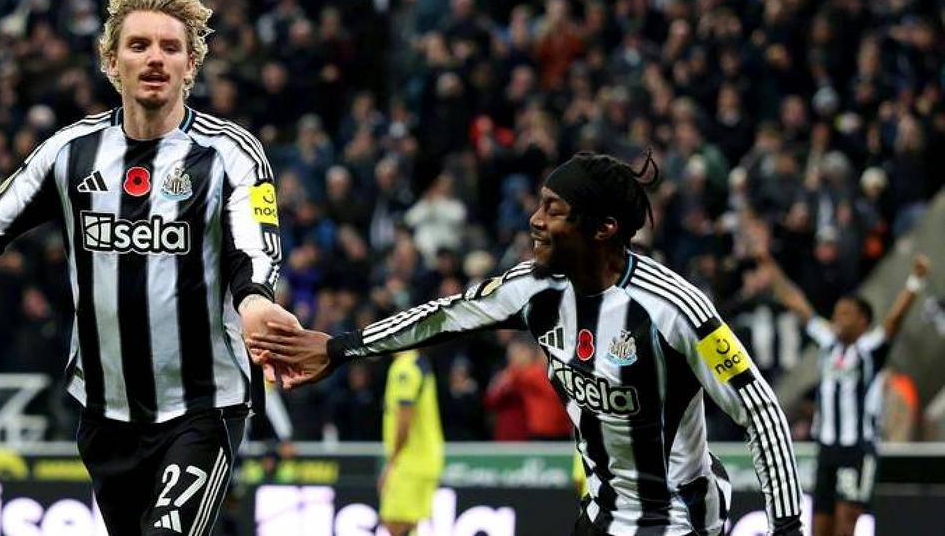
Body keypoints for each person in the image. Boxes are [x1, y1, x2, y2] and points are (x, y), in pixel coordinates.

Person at [250, 152, 805, 535]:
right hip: (601, 513)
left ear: (603, 229)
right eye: (540, 205)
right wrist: (341, 348)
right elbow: (442, 316)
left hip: (677, 519)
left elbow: (761, 412)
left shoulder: (673, 309)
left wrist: (786, 526)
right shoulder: (534, 288)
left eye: (554, 211)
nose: (535, 221)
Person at [0, 0, 297, 535]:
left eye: (171, 47)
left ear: (191, 65)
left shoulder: (228, 153)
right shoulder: (71, 152)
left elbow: (255, 247)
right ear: (111, 61)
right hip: (105, 412)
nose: (155, 59)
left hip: (204, 405)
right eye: (139, 45)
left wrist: (254, 302)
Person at [761, 251, 930, 536]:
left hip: (857, 450)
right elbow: (796, 303)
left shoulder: (869, 350)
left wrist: (915, 281)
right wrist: (767, 263)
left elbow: (894, 320)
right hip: (826, 450)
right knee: (819, 525)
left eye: (846, 314)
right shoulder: (828, 343)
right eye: (837, 313)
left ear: (863, 321)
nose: (838, 319)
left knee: (845, 523)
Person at [379, 349, 444, 536]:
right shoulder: (420, 363)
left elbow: (404, 422)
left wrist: (392, 462)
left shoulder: (404, 368)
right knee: (409, 526)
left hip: (410, 461)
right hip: (427, 458)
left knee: (394, 524)